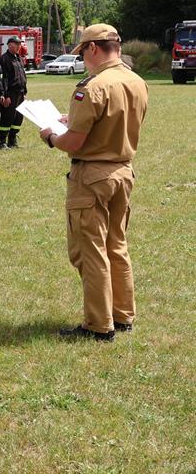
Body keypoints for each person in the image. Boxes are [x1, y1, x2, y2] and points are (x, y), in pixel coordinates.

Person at [39, 24, 148, 342]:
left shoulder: (92, 86)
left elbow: (73, 142)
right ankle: (122, 315)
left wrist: (51, 136)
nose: (83, 59)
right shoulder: (136, 81)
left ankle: (99, 325)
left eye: (83, 52)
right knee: (116, 245)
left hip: (92, 176)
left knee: (91, 251)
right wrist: (72, 121)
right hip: (122, 171)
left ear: (93, 48)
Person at [0, 35, 28, 149]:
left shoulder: (18, 58)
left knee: (18, 117)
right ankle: (2, 141)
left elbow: (22, 76)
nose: (19, 46)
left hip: (20, 93)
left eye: (20, 44)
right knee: (8, 117)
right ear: (10, 45)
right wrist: (6, 95)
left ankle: (12, 139)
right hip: (10, 93)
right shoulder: (4, 59)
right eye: (17, 44)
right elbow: (4, 78)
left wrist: (24, 93)